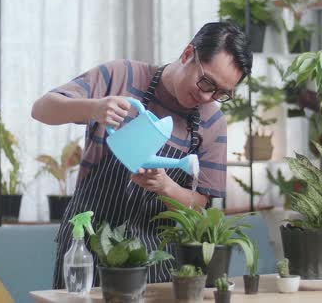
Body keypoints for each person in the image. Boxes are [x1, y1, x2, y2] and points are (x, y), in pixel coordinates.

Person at [31, 22, 253, 288]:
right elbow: (42, 109)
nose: (208, 97)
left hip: (154, 261)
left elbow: (199, 209)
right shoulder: (121, 76)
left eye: (221, 93)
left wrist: (166, 187)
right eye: (206, 82)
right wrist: (92, 108)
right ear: (187, 54)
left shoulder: (213, 123)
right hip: (87, 248)